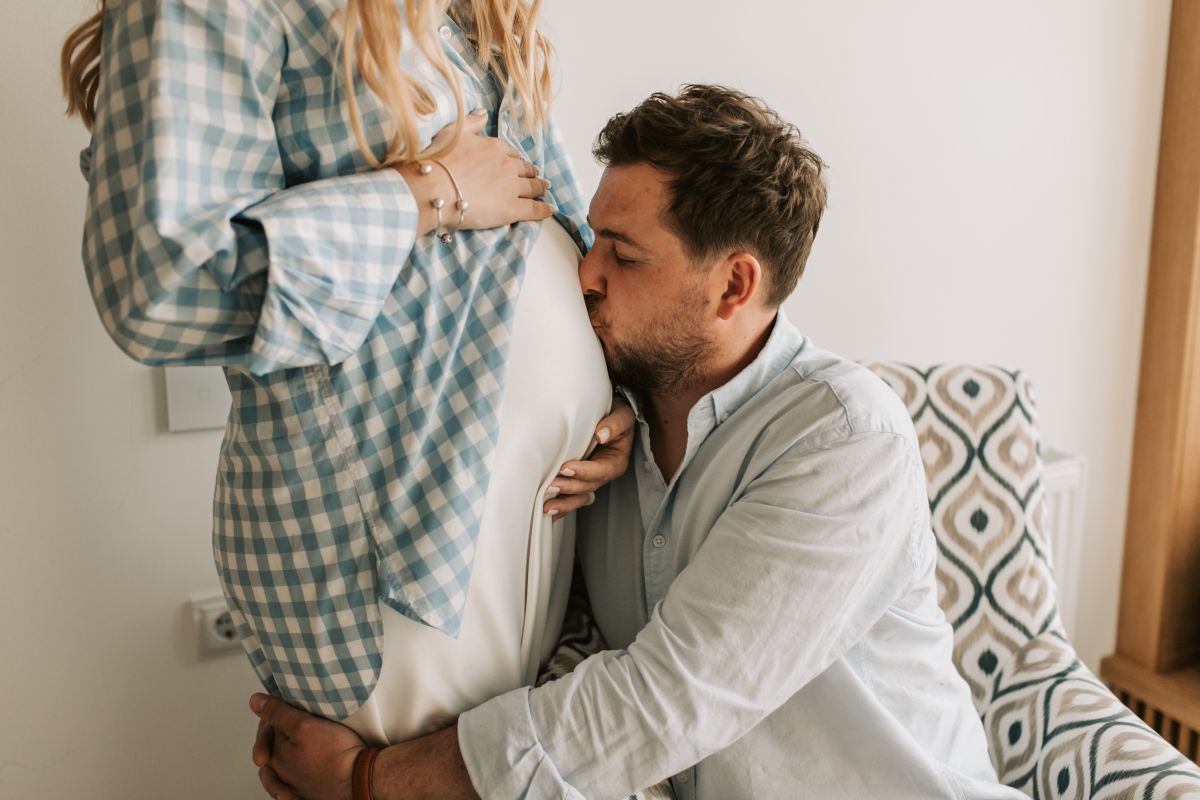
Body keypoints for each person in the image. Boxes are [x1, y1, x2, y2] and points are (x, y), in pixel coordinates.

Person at [247, 84, 1029, 800]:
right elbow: (567, 650)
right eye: (591, 242)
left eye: (622, 254)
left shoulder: (843, 441)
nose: (584, 273)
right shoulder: (609, 430)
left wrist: (367, 780)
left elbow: (662, 701)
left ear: (734, 286)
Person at [61, 0, 633, 746]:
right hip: (386, 540)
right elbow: (162, 287)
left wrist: (621, 397)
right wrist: (425, 192)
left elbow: (545, 209)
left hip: (542, 518)